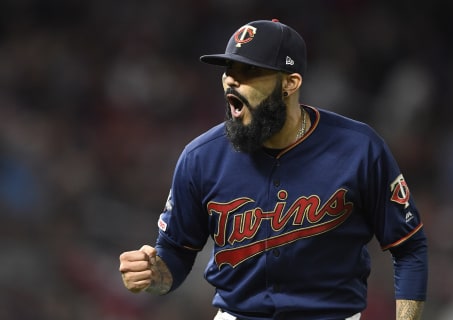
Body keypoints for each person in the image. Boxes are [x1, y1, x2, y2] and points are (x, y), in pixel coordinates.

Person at [119, 19, 428, 320]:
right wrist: (153, 275)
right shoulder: (200, 157)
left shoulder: (359, 148)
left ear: (290, 83)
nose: (231, 80)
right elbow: (176, 254)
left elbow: (409, 248)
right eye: (229, 69)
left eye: (249, 70)